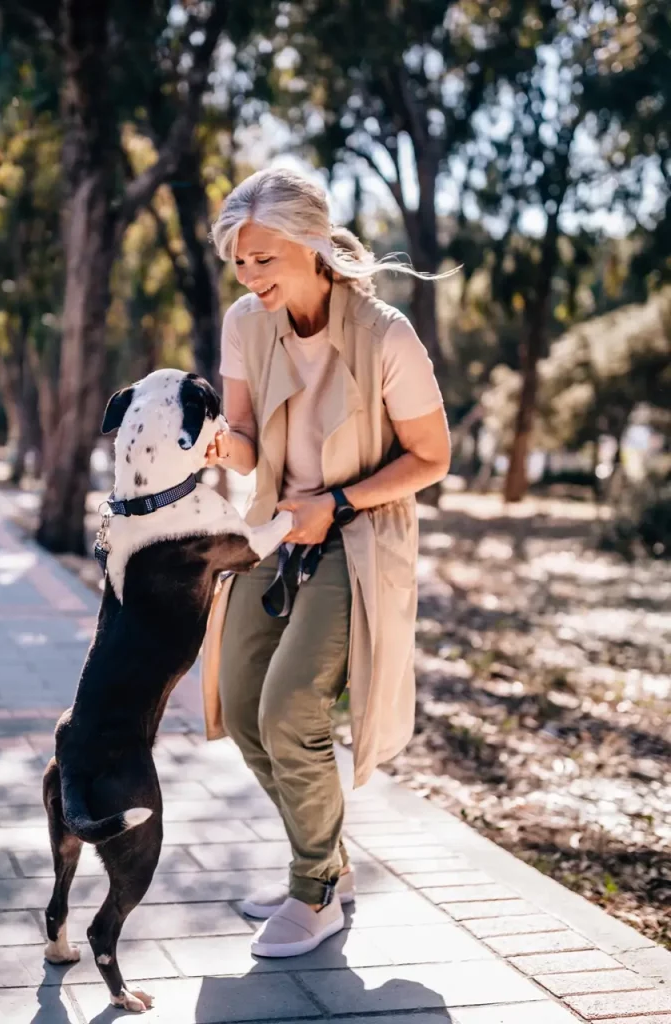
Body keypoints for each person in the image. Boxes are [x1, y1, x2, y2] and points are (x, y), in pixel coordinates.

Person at [202, 167, 451, 959]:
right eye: (240, 262)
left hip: (357, 533)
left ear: (312, 247)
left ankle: (315, 895)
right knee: (239, 706)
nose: (250, 278)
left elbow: (432, 457)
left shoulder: (386, 334)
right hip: (274, 529)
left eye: (264, 260)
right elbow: (244, 445)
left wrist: (336, 506)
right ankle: (329, 862)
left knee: (290, 711)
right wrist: (216, 442)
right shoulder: (246, 323)